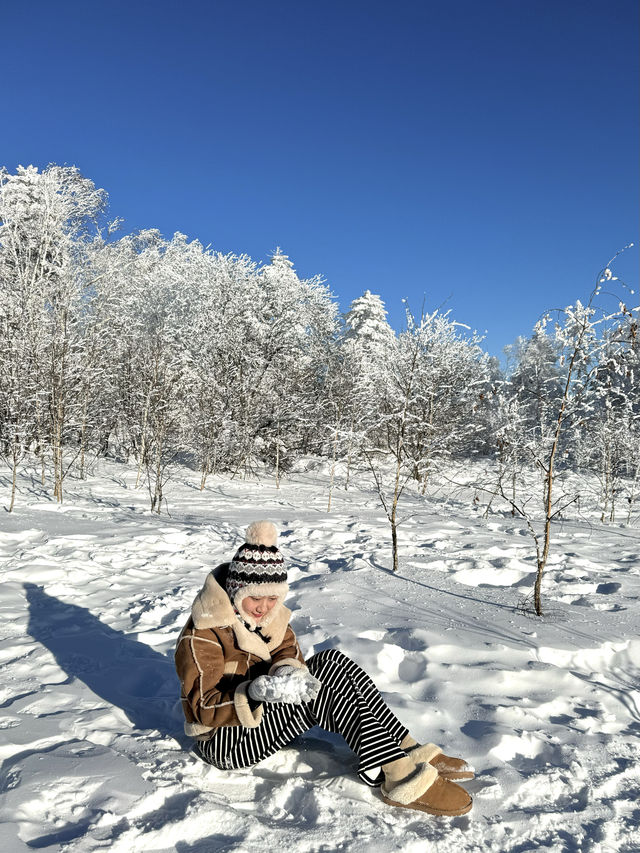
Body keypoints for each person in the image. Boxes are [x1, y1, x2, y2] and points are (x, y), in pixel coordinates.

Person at [174, 521, 474, 816]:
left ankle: (405, 748)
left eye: (272, 597)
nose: (263, 606)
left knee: (331, 661)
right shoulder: (203, 632)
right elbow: (203, 707)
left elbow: (287, 653)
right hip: (226, 740)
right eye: (255, 596)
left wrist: (287, 674)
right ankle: (398, 774)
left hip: (264, 719)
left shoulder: (269, 617)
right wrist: (253, 693)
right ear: (237, 590)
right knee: (326, 684)